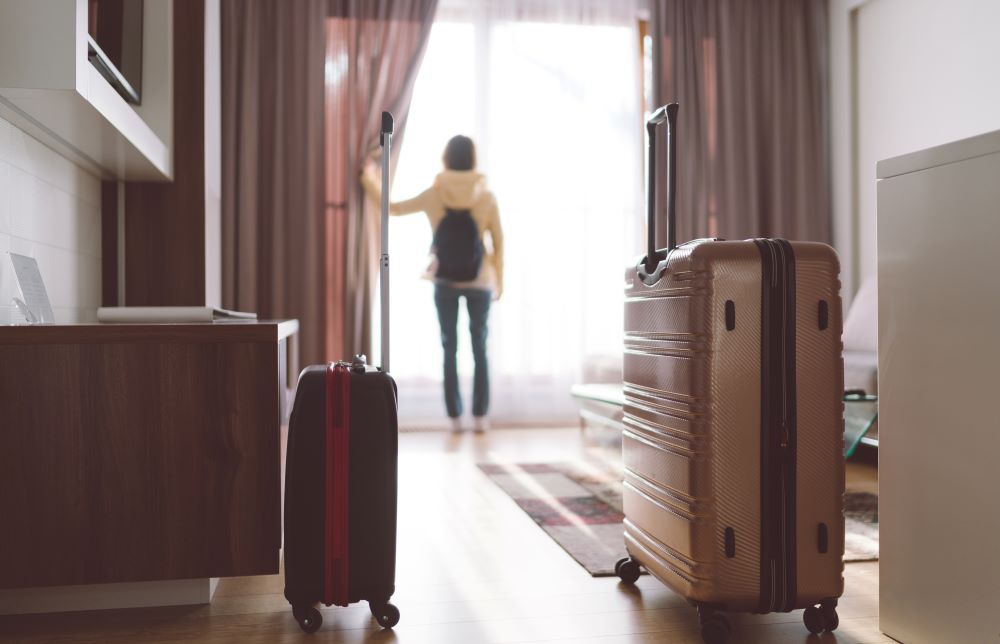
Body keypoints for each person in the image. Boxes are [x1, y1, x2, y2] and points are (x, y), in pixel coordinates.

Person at [362, 135, 504, 434]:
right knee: (480, 348)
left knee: (448, 347)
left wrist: (369, 177)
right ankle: (480, 417)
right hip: (480, 281)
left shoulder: (435, 193)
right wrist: (499, 282)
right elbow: (498, 242)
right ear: (473, 159)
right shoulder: (486, 196)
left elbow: (393, 208)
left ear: (447, 159)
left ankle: (455, 418)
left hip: (445, 279)